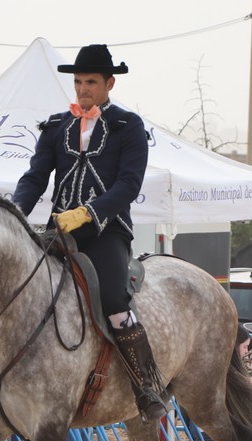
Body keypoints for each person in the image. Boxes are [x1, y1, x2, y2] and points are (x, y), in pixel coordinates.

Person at [12, 43, 165, 421]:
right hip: (59, 232)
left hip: (106, 231)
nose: (82, 89)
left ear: (109, 83)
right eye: (78, 82)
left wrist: (88, 212)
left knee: (114, 299)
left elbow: (129, 185)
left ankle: (145, 385)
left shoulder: (129, 126)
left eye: (91, 82)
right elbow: (34, 177)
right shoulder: (55, 125)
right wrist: (15, 212)